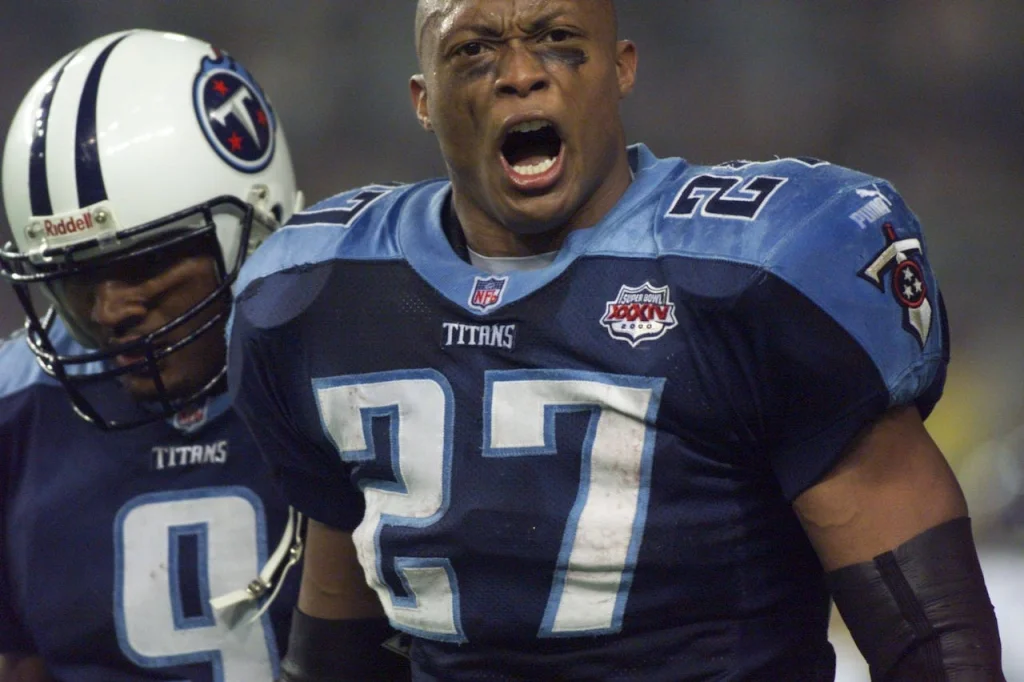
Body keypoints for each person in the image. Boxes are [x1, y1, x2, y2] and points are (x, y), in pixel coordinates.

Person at [228, 1, 1005, 680]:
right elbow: (337, 649)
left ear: (621, 68)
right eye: (474, 49)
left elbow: (935, 645)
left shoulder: (761, 271)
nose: (521, 74)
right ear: (422, 100)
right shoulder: (324, 297)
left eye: (559, 37)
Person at [0, 29, 401, 682]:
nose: (110, 311)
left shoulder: (366, 375)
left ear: (259, 225)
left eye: (146, 262)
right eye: (76, 276)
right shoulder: (18, 413)